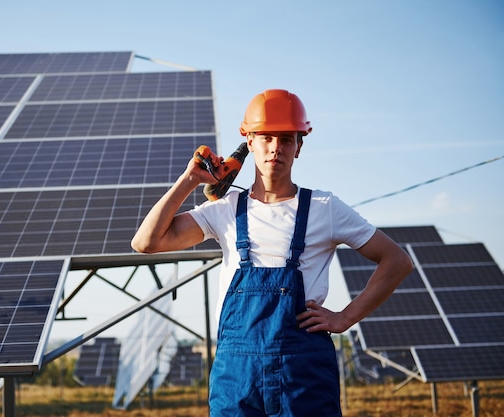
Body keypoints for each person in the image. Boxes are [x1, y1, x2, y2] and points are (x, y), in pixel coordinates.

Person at [131, 89, 413, 416]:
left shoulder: (325, 207)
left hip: (302, 375)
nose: (275, 148)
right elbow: (146, 242)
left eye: (286, 139)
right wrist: (190, 180)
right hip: (237, 377)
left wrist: (344, 318)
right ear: (249, 142)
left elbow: (397, 261)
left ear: (299, 146)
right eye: (266, 137)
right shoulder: (223, 210)